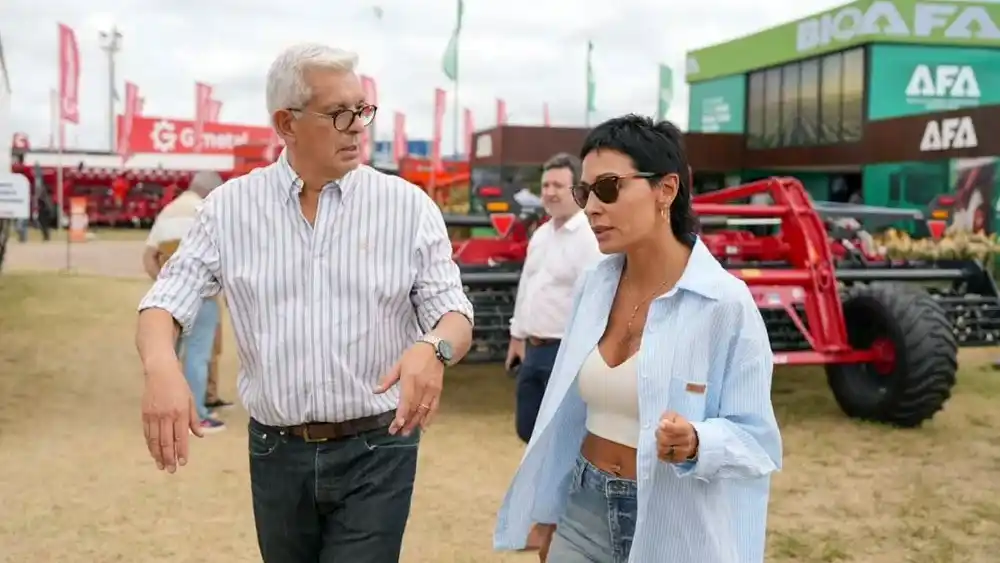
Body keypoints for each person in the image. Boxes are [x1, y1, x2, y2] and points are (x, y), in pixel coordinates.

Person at [135, 43, 474, 563]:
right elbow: (164, 303)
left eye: (362, 109)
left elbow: (453, 313)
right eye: (338, 113)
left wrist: (435, 348)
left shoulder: (407, 208)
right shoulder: (229, 210)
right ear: (286, 123)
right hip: (276, 451)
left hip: (378, 448)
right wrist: (161, 369)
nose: (357, 127)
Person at [494, 114, 782, 563]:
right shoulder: (594, 285)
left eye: (608, 188)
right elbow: (567, 415)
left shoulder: (724, 303)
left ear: (666, 189)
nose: (591, 208)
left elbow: (757, 440)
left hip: (673, 524)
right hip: (582, 509)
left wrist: (697, 442)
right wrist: (549, 512)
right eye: (584, 193)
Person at [507, 152, 602, 445]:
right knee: (527, 428)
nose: (549, 192)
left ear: (578, 190)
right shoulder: (541, 235)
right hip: (533, 349)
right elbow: (527, 286)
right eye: (546, 185)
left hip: (566, 351)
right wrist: (517, 337)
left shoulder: (589, 238)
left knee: (562, 436)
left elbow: (596, 302)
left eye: (558, 185)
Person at [141, 170, 227, 433]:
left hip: (170, 299)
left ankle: (168, 409)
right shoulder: (207, 211)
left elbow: (148, 255)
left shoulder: (167, 212)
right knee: (198, 355)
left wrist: (164, 284)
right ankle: (196, 415)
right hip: (203, 296)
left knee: (170, 355)